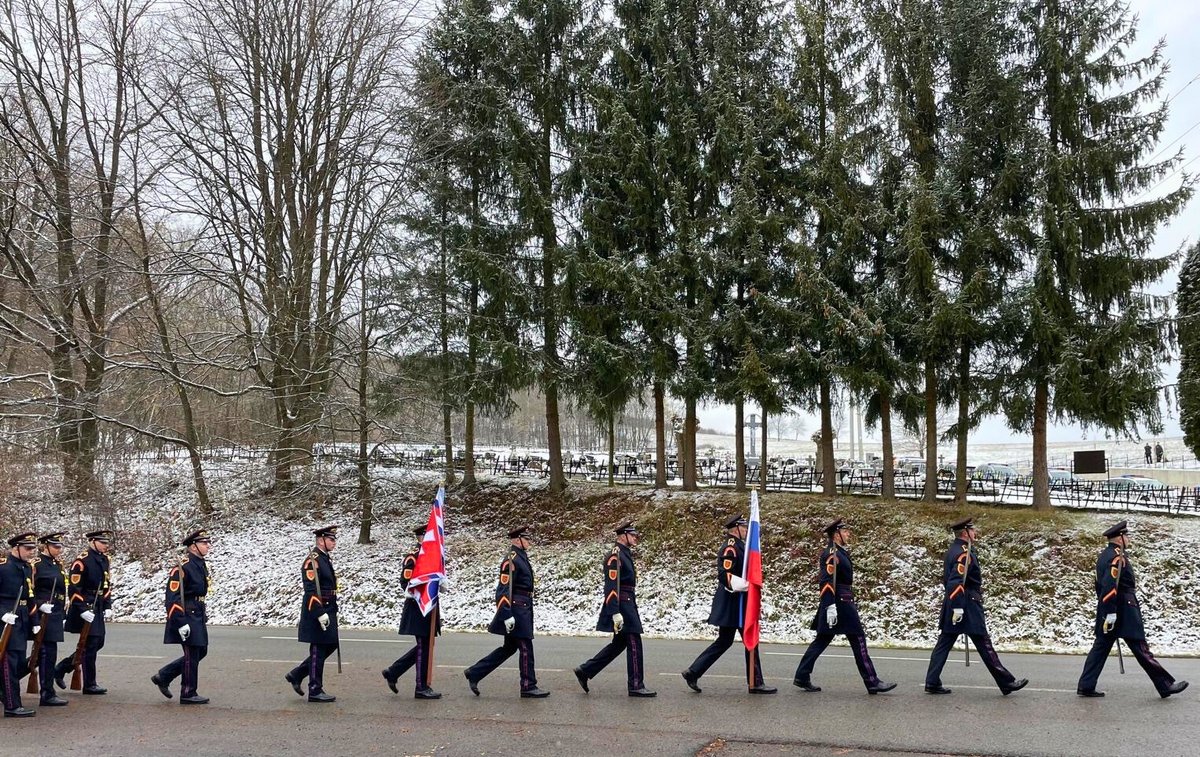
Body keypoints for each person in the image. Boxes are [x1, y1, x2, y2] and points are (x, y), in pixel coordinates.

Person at [1076, 521, 1188, 699]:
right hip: (1123, 610)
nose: (1128, 539)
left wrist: (1106, 610)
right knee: (1141, 648)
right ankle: (1165, 685)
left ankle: (1086, 685)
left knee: (1100, 648)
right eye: (1126, 536)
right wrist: (1111, 612)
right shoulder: (1116, 557)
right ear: (1120, 538)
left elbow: (1099, 586)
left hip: (1110, 608)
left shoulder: (1104, 555)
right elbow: (1109, 586)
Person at [924, 518, 1028, 696]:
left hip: (957, 604)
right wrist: (958, 608)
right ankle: (1007, 682)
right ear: (965, 533)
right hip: (966, 605)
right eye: (972, 530)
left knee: (944, 643)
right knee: (984, 643)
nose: (975, 533)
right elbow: (956, 582)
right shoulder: (963, 553)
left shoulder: (955, 549)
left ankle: (932, 681)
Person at [792, 519, 896, 695]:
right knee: (858, 639)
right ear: (836, 534)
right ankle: (872, 681)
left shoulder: (838, 552)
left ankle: (802, 676)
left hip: (841, 599)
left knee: (823, 639)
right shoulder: (832, 554)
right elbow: (826, 582)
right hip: (840, 601)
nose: (848, 535)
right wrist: (830, 606)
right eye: (845, 532)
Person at [681, 514, 776, 695]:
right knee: (750, 640)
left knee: (724, 641)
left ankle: (693, 672)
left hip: (737, 602)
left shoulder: (740, 546)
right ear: (736, 529)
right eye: (744, 528)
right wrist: (742, 584)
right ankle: (755, 683)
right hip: (734, 602)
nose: (747, 531)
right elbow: (724, 574)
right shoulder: (731, 548)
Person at [463, 526, 549, 698]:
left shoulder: (520, 557)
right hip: (517, 609)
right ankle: (528, 685)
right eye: (526, 538)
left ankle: (475, 672)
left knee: (509, 648)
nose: (529, 541)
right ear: (518, 540)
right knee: (525, 647)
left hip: (523, 606)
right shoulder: (511, 560)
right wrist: (506, 613)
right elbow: (503, 590)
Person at [574, 522, 655, 697]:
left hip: (627, 601)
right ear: (622, 536)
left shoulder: (624, 554)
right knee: (634, 642)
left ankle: (585, 670)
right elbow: (611, 586)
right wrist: (614, 612)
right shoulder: (615, 556)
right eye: (632, 535)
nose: (635, 538)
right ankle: (635, 685)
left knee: (619, 644)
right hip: (622, 603)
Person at [152, 529, 213, 704]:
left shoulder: (199, 564)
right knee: (192, 653)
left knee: (201, 651)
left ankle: (163, 676)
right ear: (193, 547)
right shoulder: (183, 567)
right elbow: (172, 598)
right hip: (187, 614)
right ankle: (187, 692)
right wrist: (180, 622)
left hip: (197, 611)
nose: (208, 546)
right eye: (204, 543)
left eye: (208, 542)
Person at [383, 524, 442, 699]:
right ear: (421, 538)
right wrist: (423, 592)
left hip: (430, 607)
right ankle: (420, 687)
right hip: (417, 607)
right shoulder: (413, 559)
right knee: (424, 646)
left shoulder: (434, 559)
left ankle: (394, 672)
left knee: (426, 645)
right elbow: (406, 583)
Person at [54, 529, 113, 695]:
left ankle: (62, 668)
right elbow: (74, 588)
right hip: (86, 605)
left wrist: (107, 605)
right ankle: (89, 683)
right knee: (91, 644)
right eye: (102, 542)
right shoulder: (81, 561)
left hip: (98, 605)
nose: (105, 546)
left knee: (97, 642)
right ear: (92, 541)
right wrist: (82, 609)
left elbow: (106, 584)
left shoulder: (105, 559)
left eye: (107, 543)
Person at [285, 525, 340, 703]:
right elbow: (310, 590)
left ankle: (297, 674)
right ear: (320, 540)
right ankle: (315, 689)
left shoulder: (324, 559)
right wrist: (319, 612)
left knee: (330, 645)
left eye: (334, 539)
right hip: (317, 609)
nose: (334, 542)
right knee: (318, 649)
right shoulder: (313, 560)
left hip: (328, 608)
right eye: (331, 539)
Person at [1, 532, 37, 717]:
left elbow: (29, 596)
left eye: (33, 548)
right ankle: (12, 705)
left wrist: (35, 621)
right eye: (28, 548)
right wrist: (2, 614)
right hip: (7, 620)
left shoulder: (26, 568)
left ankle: (8, 697)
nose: (31, 552)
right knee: (10, 663)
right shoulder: (3, 567)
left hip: (21, 618)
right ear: (15, 548)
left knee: (19, 662)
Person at [31, 532, 68, 707]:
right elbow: (28, 589)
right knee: (46, 653)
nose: (58, 549)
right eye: (55, 546)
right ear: (45, 547)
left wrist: (63, 614)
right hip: (42, 614)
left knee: (44, 654)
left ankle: (9, 681)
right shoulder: (36, 565)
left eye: (60, 546)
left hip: (55, 613)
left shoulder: (57, 565)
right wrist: (39, 605)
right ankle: (47, 693)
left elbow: (62, 591)